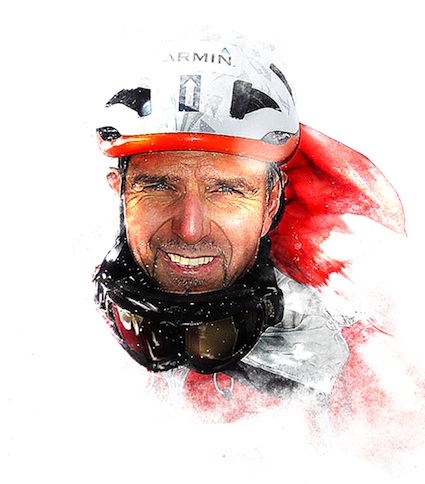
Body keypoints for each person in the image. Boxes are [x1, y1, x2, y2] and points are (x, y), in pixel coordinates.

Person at [93, 30, 423, 436]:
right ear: (121, 192)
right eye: (160, 186)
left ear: (271, 203)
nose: (190, 229)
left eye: (227, 190)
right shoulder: (52, 339)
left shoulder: (370, 382)